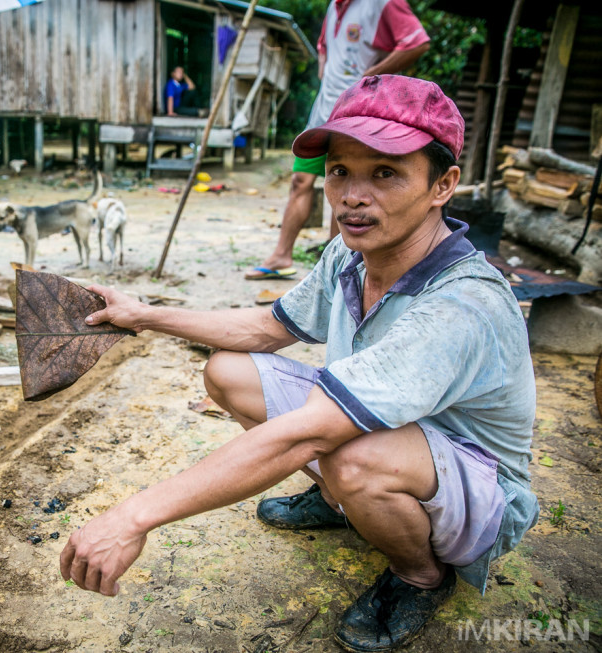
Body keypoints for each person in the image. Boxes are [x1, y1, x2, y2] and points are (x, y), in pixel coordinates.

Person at [60, 75, 538, 652]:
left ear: (443, 184)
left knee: (350, 453)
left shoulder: (461, 304)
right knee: (229, 371)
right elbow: (266, 328)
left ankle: (419, 574)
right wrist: (144, 315)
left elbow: (310, 433)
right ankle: (345, 502)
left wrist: (132, 517)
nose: (352, 196)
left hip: (480, 493)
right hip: (395, 438)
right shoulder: (351, 253)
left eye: (385, 173)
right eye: (339, 171)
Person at [246, 0, 430, 279]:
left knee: (347, 188)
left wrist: (371, 75)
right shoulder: (334, 7)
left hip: (360, 117)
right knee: (300, 180)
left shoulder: (383, 3)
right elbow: (323, 45)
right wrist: (324, 69)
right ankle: (282, 255)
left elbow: (417, 43)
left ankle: (338, 267)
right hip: (323, 111)